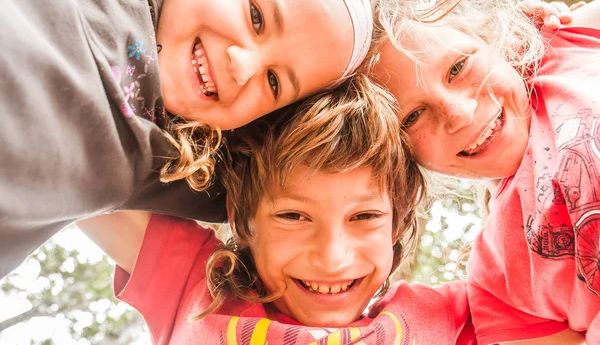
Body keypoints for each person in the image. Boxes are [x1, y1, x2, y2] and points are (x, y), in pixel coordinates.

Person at [0, 0, 371, 278]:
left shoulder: (179, 165)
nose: (242, 67)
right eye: (256, 17)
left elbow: (333, 171)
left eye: (273, 82)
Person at [77, 74, 475, 345]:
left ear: (396, 225)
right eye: (293, 216)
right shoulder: (198, 289)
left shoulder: (450, 316)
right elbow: (72, 159)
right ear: (241, 218)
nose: (332, 259)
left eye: (365, 217)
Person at [366, 0, 599, 345]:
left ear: (496, 38)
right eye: (413, 117)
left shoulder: (575, 41)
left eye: (458, 67)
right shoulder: (498, 281)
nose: (459, 113)